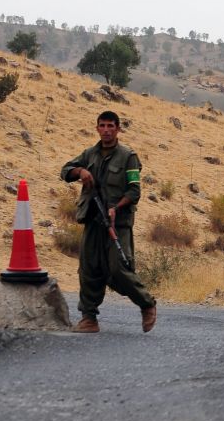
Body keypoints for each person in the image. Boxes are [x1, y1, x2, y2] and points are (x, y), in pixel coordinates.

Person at [60, 110, 157, 333]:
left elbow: (134, 191)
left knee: (118, 268)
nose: (106, 130)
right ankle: (89, 317)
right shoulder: (89, 154)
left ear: (118, 129)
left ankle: (146, 303)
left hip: (117, 222)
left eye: (110, 126)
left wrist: (116, 208)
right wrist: (81, 171)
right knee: (88, 267)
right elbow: (65, 171)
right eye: (102, 126)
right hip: (93, 219)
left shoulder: (128, 156)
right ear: (97, 128)